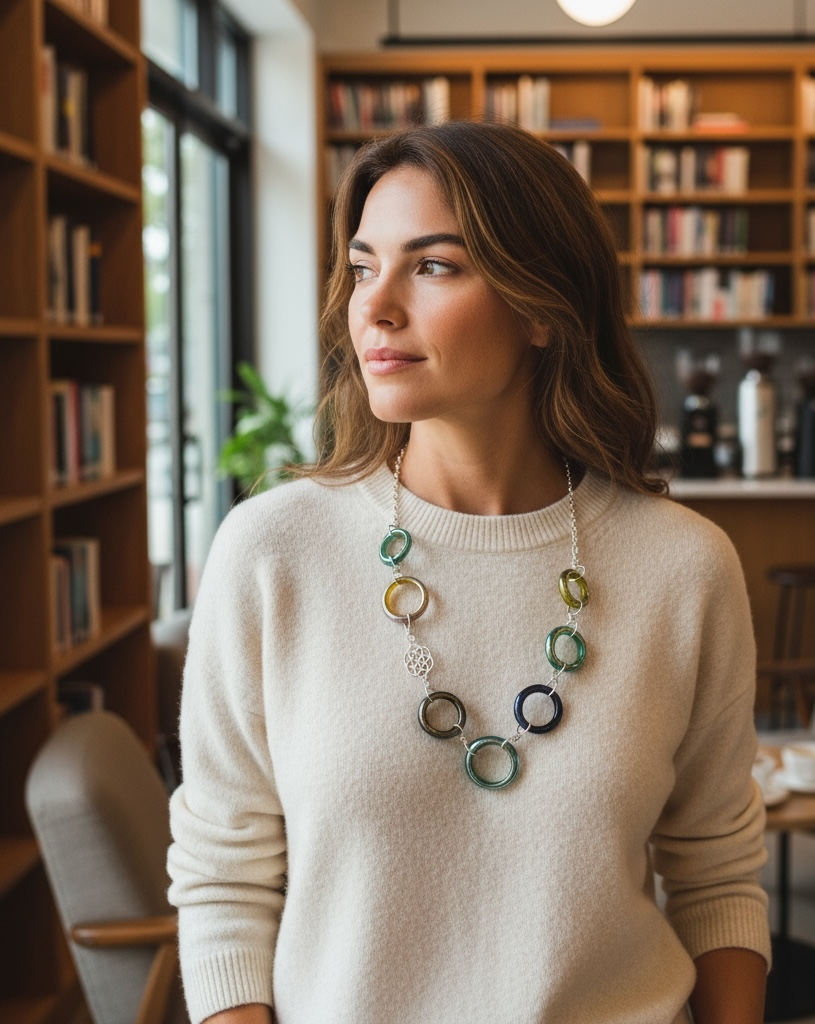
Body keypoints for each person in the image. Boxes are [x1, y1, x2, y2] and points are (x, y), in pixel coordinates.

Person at [168, 119, 770, 1024]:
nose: (373, 306)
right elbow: (222, 880)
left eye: (435, 266)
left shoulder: (685, 566)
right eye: (365, 266)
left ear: (541, 306)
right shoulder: (270, 554)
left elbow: (716, 868)